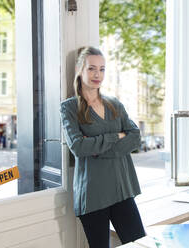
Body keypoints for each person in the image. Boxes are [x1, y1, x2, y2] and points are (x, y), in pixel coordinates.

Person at [60, 46, 145, 248]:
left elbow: (135, 137)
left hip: (121, 190)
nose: (98, 74)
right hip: (92, 195)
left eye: (102, 69)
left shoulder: (114, 104)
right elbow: (79, 148)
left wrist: (97, 150)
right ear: (80, 70)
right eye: (91, 68)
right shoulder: (69, 107)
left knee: (140, 244)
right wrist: (116, 136)